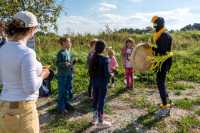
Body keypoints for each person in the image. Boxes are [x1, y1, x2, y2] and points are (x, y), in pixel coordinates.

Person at [0, 11, 50, 133]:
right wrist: (43, 74)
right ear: (31, 29)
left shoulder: (2, 49)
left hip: (4, 107)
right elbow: (30, 87)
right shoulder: (27, 53)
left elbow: (2, 79)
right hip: (23, 110)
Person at [151, 16, 173, 118]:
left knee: (160, 83)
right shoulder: (161, 34)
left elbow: (161, 50)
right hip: (161, 62)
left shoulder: (164, 35)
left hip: (163, 63)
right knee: (161, 82)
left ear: (159, 24)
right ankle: (167, 101)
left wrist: (151, 47)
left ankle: (165, 107)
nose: (154, 26)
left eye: (155, 24)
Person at [89, 40, 111, 126]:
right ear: (103, 49)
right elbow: (106, 73)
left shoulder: (92, 57)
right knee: (101, 100)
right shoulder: (104, 59)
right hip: (102, 82)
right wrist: (111, 75)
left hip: (95, 81)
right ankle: (101, 120)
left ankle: (94, 118)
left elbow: (90, 72)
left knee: (95, 99)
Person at [56, 37, 76, 113]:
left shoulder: (67, 51)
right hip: (62, 75)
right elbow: (58, 63)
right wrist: (64, 64)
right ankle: (61, 108)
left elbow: (69, 63)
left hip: (68, 74)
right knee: (62, 91)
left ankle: (66, 104)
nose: (70, 43)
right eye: (68, 42)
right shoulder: (60, 53)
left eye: (70, 42)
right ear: (63, 43)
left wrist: (72, 64)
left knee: (67, 90)